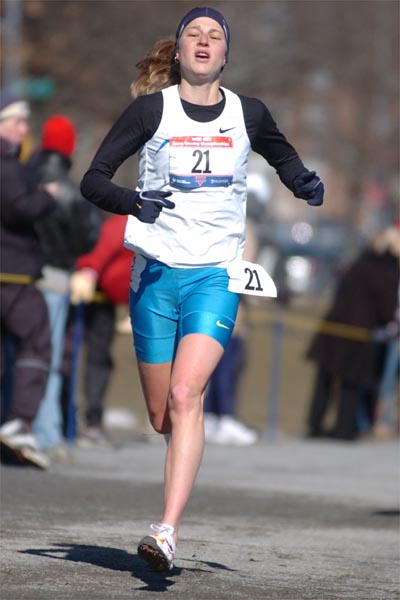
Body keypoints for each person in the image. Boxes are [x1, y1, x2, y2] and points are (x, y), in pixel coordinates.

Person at [80, 6, 324, 571]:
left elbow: (282, 155)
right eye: (195, 33)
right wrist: (132, 203)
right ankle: (180, 439)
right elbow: (94, 179)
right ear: (182, 49)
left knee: (188, 396)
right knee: (163, 415)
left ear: (225, 53)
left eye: (215, 35)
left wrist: (303, 182)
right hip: (156, 275)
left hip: (216, 273)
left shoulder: (249, 113)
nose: (204, 41)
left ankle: (165, 530)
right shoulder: (149, 112)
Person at [25, 114, 101, 454]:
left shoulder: (21, 177)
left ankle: (15, 424)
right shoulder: (72, 190)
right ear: (69, 148)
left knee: (17, 354)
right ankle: (47, 434)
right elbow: (88, 239)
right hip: (55, 277)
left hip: (17, 275)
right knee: (50, 357)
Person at [0, 92, 59, 469]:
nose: (24, 129)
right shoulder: (7, 163)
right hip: (13, 271)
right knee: (37, 340)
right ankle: (21, 422)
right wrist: (46, 197)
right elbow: (19, 207)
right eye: (16, 121)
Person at [306, 225, 400, 440]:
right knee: (351, 384)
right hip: (357, 332)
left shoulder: (361, 262)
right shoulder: (388, 271)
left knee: (325, 381)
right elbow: (386, 308)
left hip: (334, 326)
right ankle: (344, 428)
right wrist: (389, 322)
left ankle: (315, 424)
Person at [62, 214, 133, 446]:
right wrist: (88, 272)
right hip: (92, 295)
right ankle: (68, 418)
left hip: (112, 300)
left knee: (99, 359)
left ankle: (92, 420)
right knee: (72, 355)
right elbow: (102, 248)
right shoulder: (126, 223)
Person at [204, 219, 259, 445]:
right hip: (226, 306)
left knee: (215, 365)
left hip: (215, 303)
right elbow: (245, 264)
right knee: (223, 366)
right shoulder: (242, 225)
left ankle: (213, 415)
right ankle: (223, 416)